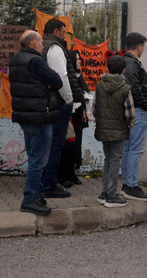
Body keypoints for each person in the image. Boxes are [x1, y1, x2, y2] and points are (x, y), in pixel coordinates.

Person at [9, 30, 63, 215]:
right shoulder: (36, 61)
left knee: (34, 156)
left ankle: (37, 195)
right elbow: (56, 81)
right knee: (38, 160)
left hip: (26, 116)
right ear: (34, 44)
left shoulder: (17, 59)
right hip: (39, 115)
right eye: (40, 42)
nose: (42, 45)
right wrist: (46, 84)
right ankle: (30, 199)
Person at [40, 19, 82, 199]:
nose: (65, 36)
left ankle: (45, 181)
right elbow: (62, 77)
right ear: (56, 31)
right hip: (58, 102)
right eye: (64, 32)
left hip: (47, 102)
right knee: (55, 145)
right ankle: (49, 183)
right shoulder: (55, 48)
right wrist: (69, 99)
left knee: (46, 145)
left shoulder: (42, 45)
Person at [94, 55, 134, 208]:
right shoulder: (125, 88)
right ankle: (111, 195)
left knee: (108, 159)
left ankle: (104, 193)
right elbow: (130, 113)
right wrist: (129, 126)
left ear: (107, 68)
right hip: (119, 130)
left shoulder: (100, 85)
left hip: (104, 129)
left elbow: (95, 108)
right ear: (123, 70)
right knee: (115, 160)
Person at [122, 32, 147, 201]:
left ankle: (127, 183)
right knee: (135, 148)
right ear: (139, 46)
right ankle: (131, 185)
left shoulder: (128, 62)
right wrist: (145, 103)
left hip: (133, 110)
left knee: (128, 148)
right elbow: (134, 87)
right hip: (138, 111)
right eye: (143, 46)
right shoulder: (133, 64)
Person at [58, 49, 89, 188]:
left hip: (78, 117)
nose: (79, 62)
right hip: (68, 115)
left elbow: (83, 94)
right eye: (76, 59)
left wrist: (84, 108)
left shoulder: (79, 76)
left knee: (76, 145)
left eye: (79, 59)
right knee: (67, 146)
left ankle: (71, 172)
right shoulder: (68, 77)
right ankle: (63, 174)